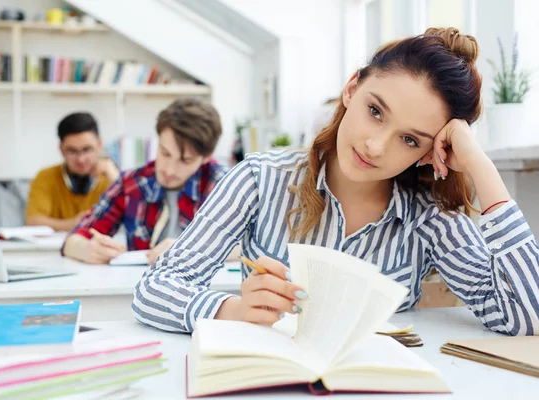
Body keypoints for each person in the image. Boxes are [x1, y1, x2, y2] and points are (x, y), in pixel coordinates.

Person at [133, 27, 539, 336]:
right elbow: (154, 289)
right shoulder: (258, 180)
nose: (376, 146)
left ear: (431, 152)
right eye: (376, 111)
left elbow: (527, 315)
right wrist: (229, 310)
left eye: (410, 139)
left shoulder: (429, 216)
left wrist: (480, 166)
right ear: (351, 89)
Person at [62, 97, 228, 265]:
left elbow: (249, 249)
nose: (169, 170)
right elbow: (73, 239)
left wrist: (190, 248)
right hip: (141, 288)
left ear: (206, 157)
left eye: (185, 160)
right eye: (165, 153)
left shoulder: (225, 185)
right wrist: (86, 249)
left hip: (206, 289)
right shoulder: (132, 183)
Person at [26, 112, 119, 232]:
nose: (81, 159)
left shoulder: (111, 177)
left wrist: (116, 180)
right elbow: (33, 221)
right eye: (72, 151)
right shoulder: (45, 177)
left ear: (99, 145)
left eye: (87, 149)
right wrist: (73, 224)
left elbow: (137, 217)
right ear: (61, 149)